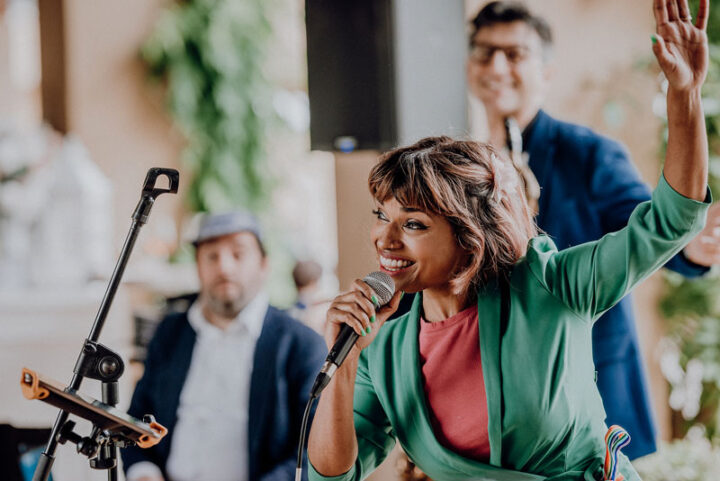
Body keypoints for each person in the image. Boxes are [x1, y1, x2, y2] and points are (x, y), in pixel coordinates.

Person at [307, 1, 710, 479]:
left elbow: (666, 223)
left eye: (412, 223)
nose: (383, 239)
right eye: (382, 216)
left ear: (469, 235)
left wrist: (684, 94)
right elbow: (331, 475)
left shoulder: (551, 283)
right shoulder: (385, 347)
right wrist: (345, 367)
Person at [463, 0, 720, 459]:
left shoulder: (589, 153)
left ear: (547, 71)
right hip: (500, 404)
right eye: (485, 53)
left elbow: (646, 224)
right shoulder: (459, 168)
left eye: (515, 54)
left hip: (593, 395)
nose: (497, 66)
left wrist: (692, 246)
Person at [121, 211, 327, 481]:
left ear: (264, 264)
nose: (224, 268)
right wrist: (143, 474)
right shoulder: (170, 332)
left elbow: (315, 452)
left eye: (238, 254)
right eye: (212, 256)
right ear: (198, 266)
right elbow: (137, 420)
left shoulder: (301, 344)